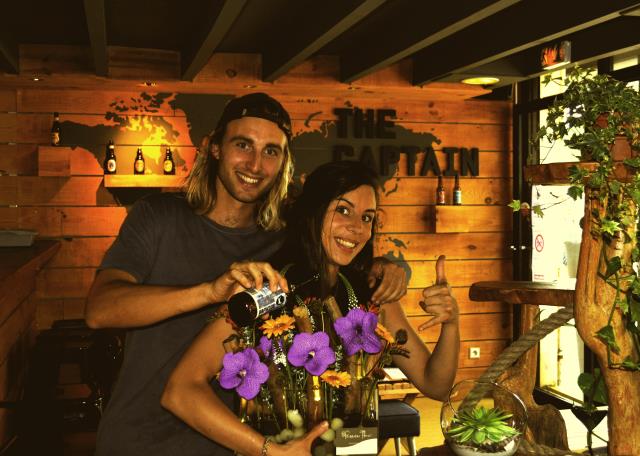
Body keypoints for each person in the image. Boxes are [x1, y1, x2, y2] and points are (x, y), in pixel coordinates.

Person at [85, 94, 407, 456]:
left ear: (283, 162)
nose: (255, 164)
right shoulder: (157, 217)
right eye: (243, 145)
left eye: (271, 151)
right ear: (214, 148)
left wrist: (387, 267)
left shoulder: (284, 237)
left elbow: (340, 238)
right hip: (137, 441)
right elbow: (101, 310)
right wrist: (211, 291)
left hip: (232, 445)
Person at [161, 160, 460, 456]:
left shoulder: (373, 297)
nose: (356, 228)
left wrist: (451, 322)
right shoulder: (268, 291)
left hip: (356, 448)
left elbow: (436, 384)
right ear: (314, 212)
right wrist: (269, 450)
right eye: (343, 210)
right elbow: (181, 390)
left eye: (367, 218)